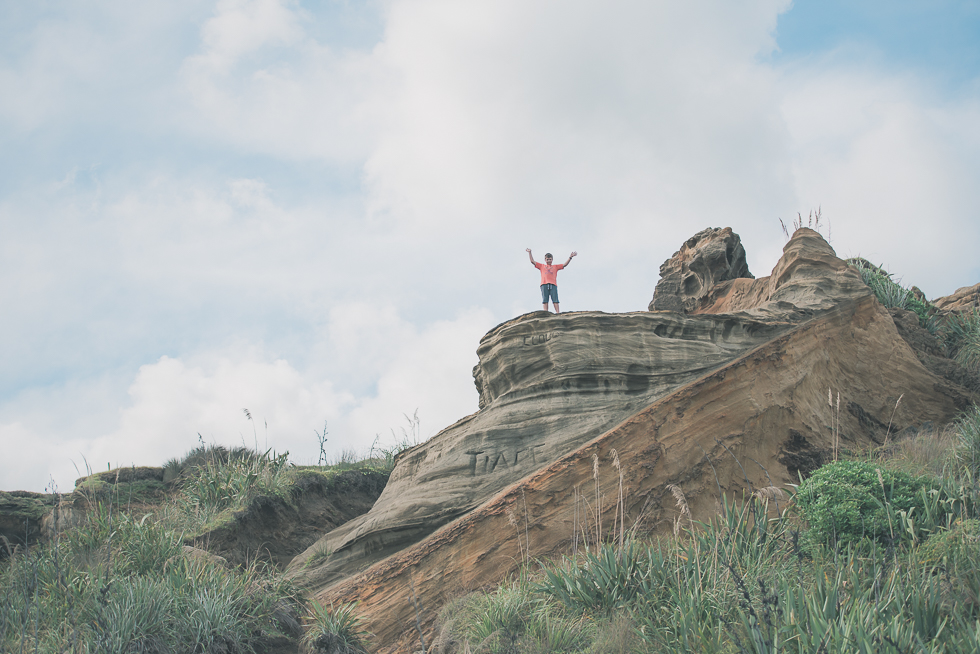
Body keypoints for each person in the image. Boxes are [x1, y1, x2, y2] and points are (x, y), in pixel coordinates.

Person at [527, 249, 577, 313]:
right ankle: (545, 312)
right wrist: (530, 252)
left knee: (555, 299)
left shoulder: (555, 266)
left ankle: (557, 312)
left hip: (553, 284)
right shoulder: (542, 266)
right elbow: (532, 261)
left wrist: (570, 257)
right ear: (545, 260)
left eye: (550, 259)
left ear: (552, 260)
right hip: (544, 284)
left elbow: (564, 265)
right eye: (547, 259)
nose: (549, 261)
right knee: (545, 299)